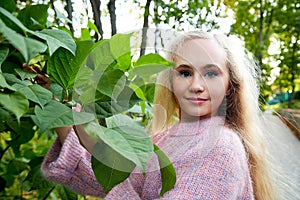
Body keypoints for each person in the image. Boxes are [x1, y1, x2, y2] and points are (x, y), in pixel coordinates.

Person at [41, 31, 278, 199]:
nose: (196, 85)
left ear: (230, 85)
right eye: (185, 73)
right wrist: (61, 111)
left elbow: (119, 188)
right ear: (171, 81)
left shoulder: (221, 147)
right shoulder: (165, 139)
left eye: (211, 73)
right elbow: (109, 179)